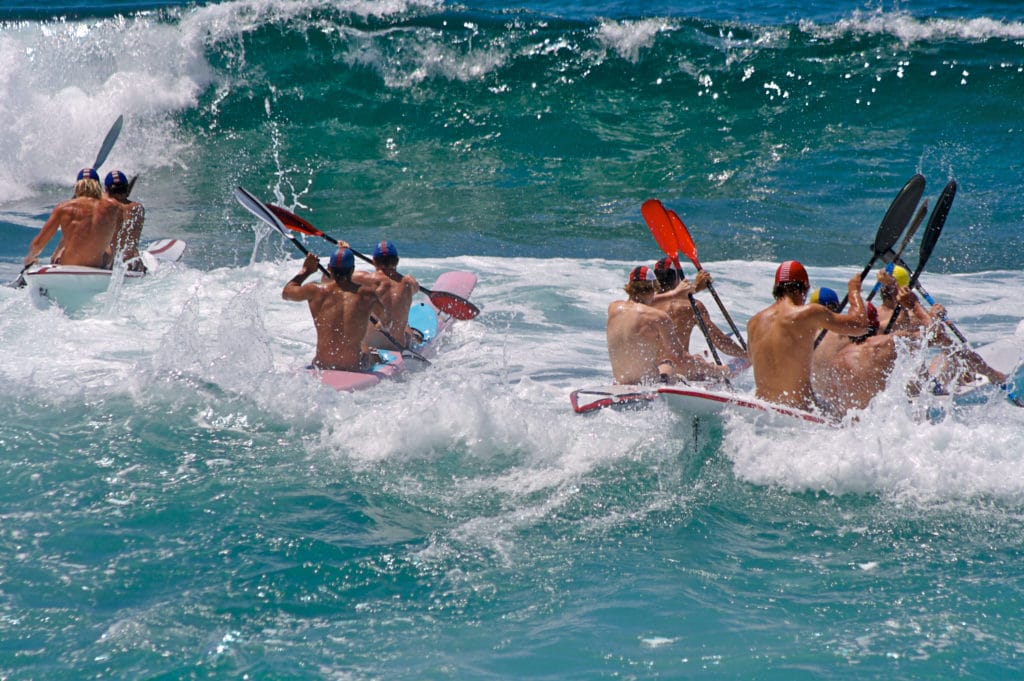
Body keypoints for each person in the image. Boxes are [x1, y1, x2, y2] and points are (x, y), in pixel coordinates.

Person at [746, 260, 869, 412]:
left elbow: (752, 359)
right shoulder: (809, 313)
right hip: (799, 413)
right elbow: (861, 325)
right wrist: (854, 291)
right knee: (850, 414)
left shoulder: (753, 323)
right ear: (800, 290)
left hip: (762, 411)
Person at [606, 265, 730, 385]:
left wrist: (675, 294)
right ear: (654, 287)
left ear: (630, 287)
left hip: (621, 383)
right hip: (648, 384)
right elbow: (681, 358)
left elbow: (640, 302)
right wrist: (719, 370)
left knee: (664, 363)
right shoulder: (659, 317)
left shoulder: (614, 308)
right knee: (669, 364)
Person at [282, 245, 385, 372]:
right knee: (366, 348)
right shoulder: (367, 294)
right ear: (352, 270)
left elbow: (286, 293)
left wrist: (306, 270)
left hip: (322, 366)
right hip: (352, 368)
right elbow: (387, 319)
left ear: (329, 268)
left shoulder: (314, 290)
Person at [648, 257, 747, 377]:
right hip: (680, 370)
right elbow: (720, 341)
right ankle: (724, 371)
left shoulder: (643, 306)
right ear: (678, 278)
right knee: (696, 361)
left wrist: (694, 289)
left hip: (649, 369)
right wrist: (746, 355)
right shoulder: (691, 306)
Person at [23, 168, 124, 269]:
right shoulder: (114, 208)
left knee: (58, 253)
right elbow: (118, 242)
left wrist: (30, 259)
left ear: (77, 186)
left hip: (68, 265)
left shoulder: (64, 208)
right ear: (98, 187)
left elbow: (38, 243)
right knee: (108, 249)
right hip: (97, 266)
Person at [354, 240, 421, 351]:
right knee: (404, 324)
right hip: (398, 346)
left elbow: (334, 275)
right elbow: (415, 288)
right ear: (397, 261)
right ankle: (412, 334)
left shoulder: (364, 279)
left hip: (372, 346)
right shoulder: (409, 282)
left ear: (374, 261)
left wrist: (342, 249)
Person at [103, 170, 146, 271]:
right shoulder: (138, 208)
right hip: (134, 262)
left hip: (112, 262)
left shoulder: (106, 208)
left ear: (107, 190)